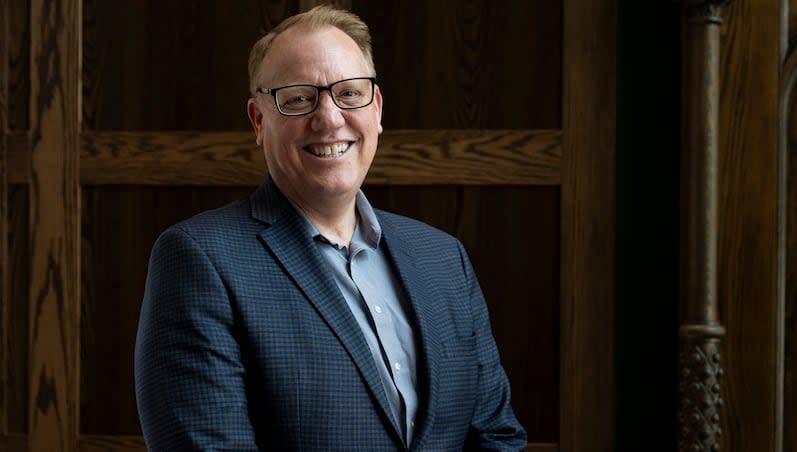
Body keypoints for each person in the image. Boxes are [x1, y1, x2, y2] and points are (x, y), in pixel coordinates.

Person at [134, 5, 526, 451]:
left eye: (350, 93)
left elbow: (497, 436)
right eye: (299, 98)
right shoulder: (199, 259)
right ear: (259, 121)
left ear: (376, 108)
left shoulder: (444, 258)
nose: (329, 118)